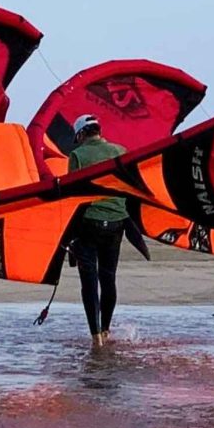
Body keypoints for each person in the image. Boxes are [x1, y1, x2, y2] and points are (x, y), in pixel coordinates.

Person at [66, 114, 127, 347]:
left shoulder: (77, 156)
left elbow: (73, 197)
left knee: (89, 281)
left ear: (82, 134)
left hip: (88, 224)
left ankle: (95, 338)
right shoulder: (121, 151)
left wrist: (69, 236)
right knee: (108, 278)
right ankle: (106, 331)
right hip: (117, 223)